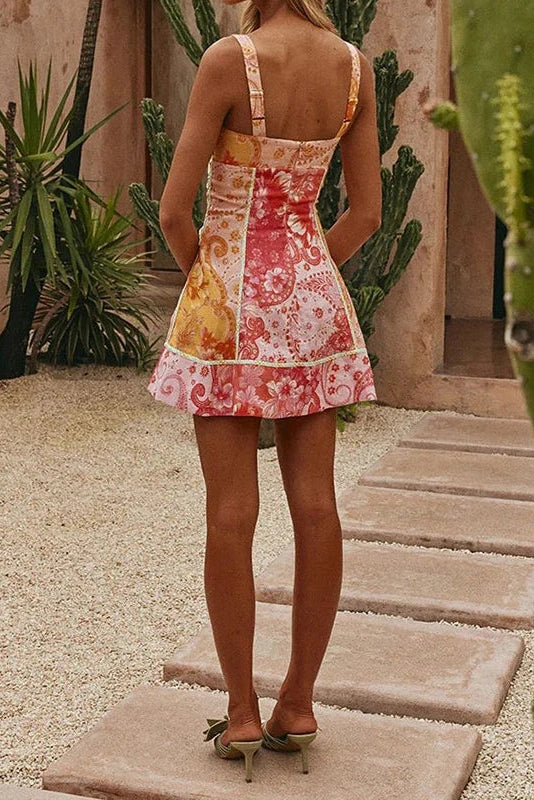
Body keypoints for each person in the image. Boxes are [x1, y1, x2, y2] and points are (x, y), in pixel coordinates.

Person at [147, 0, 381, 782]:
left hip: (226, 301)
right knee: (317, 507)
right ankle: (299, 704)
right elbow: (366, 213)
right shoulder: (353, 67)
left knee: (230, 514)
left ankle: (243, 712)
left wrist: (213, 286)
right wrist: (305, 278)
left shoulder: (230, 59)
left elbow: (172, 211)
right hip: (313, 302)